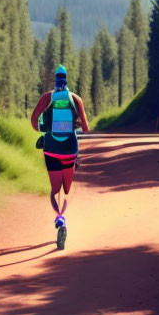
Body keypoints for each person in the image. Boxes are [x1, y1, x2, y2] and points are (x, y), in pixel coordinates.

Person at [30, 65, 90, 250]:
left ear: (54, 80)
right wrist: (74, 125)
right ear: (67, 79)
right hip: (70, 149)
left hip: (51, 148)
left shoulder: (47, 98)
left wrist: (44, 130)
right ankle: (63, 215)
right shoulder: (75, 99)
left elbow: (33, 121)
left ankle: (59, 219)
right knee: (67, 189)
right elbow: (86, 128)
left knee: (54, 189)